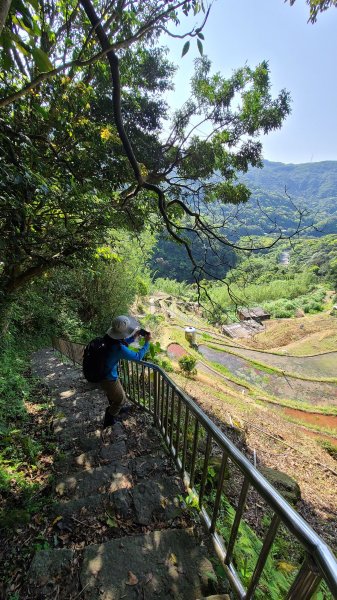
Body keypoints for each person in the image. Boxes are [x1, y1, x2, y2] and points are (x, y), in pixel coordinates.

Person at [101, 315, 151, 428]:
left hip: (102, 373)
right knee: (121, 399)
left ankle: (115, 408)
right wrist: (147, 343)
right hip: (108, 377)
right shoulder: (118, 348)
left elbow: (122, 343)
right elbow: (138, 356)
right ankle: (109, 421)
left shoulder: (107, 339)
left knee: (113, 395)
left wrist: (133, 337)